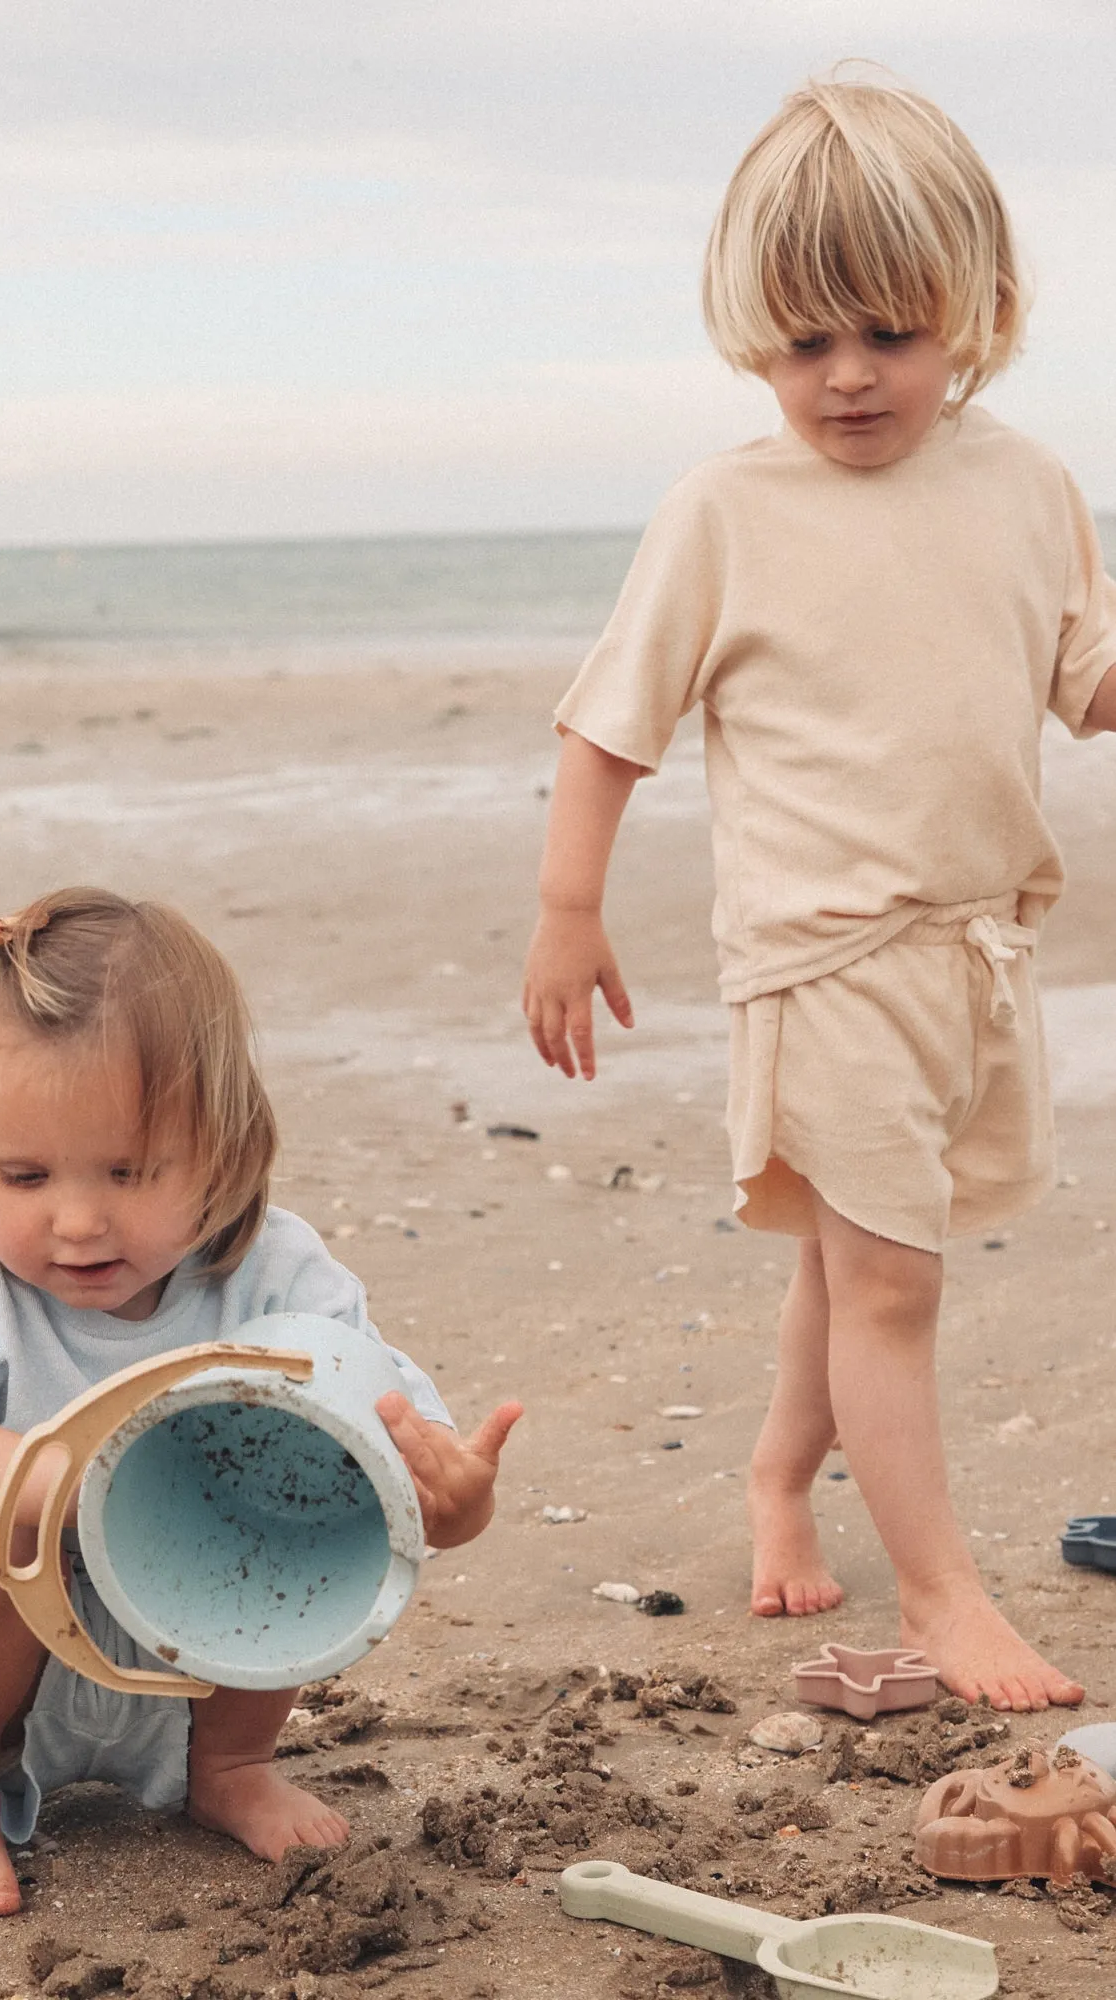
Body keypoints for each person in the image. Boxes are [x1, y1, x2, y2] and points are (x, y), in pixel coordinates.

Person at [522, 74, 1116, 1715]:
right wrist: (568, 913)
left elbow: (1087, 681)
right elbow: (605, 727)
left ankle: (777, 1484)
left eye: (885, 332)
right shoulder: (726, 511)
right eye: (801, 344)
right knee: (888, 1280)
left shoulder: (1022, 483)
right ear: (747, 337)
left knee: (847, 1253)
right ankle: (940, 1598)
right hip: (819, 956)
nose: (844, 377)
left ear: (976, 313)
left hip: (974, 951)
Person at [0, 888, 523, 1920]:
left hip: (196, 1648)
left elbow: (390, 1450)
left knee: (298, 1490)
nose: (77, 1218)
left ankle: (229, 1766)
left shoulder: (273, 1272)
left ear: (227, 1146)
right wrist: (52, 1473)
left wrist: (452, 1502)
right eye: (22, 1173)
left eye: (130, 1169)